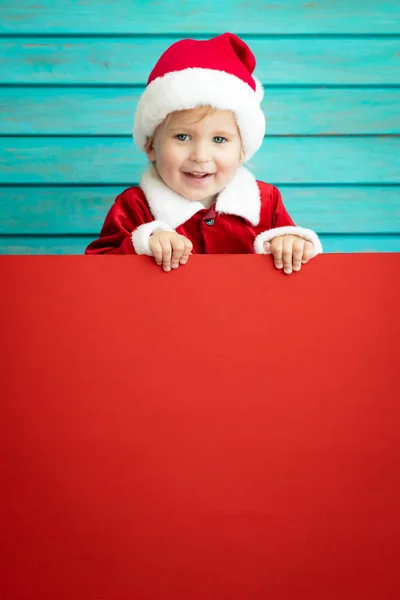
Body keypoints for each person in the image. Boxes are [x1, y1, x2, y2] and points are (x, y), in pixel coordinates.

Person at [85, 33, 322, 275]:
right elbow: (100, 273)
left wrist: (291, 245)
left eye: (219, 139)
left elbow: (298, 278)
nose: (200, 156)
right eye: (182, 137)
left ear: (242, 151)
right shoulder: (135, 206)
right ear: (150, 146)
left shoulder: (266, 202)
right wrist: (142, 245)